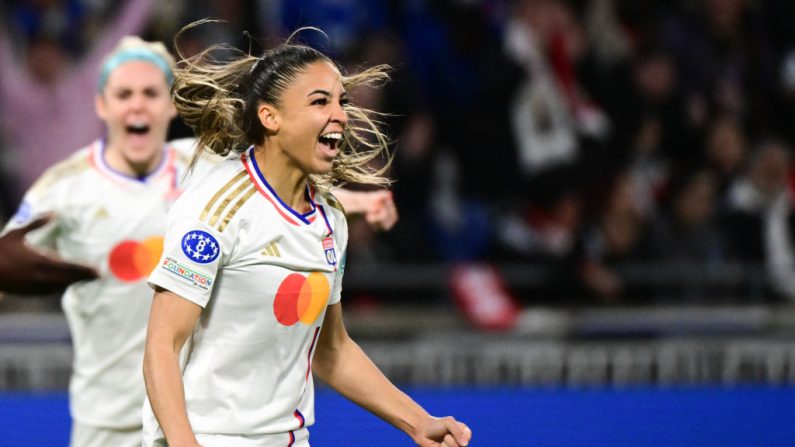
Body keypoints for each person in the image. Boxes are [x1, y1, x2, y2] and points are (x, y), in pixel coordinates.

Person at [142, 27, 471, 447]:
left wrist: (418, 422)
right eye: (320, 101)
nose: (340, 115)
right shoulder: (216, 209)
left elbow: (332, 350)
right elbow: (161, 345)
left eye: (342, 101)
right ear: (270, 117)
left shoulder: (330, 219)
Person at [1, 35, 183, 446]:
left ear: (171, 104)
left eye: (151, 93)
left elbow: (280, 193)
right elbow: (6, 259)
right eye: (124, 94)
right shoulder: (65, 186)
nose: (137, 105)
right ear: (102, 105)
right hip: (108, 422)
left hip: (193, 418)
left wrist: (352, 199)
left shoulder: (204, 169)